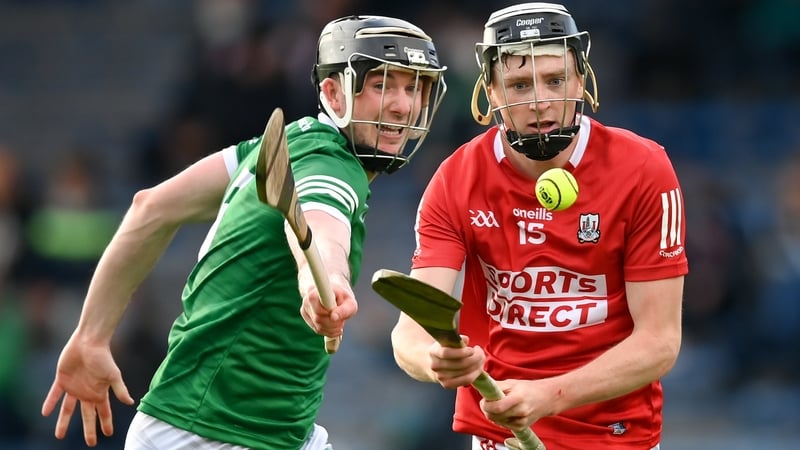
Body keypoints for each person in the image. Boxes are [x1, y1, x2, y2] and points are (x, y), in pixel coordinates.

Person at [40, 14, 447, 450]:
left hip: (270, 432)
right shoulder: (332, 167)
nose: (404, 105)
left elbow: (151, 207)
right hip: (210, 435)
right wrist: (325, 279)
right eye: (383, 85)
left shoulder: (280, 144)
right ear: (333, 92)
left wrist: (91, 335)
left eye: (414, 87)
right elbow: (319, 225)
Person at [308, 3, 686, 449]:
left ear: (581, 82)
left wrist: (549, 395)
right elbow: (408, 336)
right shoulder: (457, 180)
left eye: (555, 80)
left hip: (616, 437)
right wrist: (436, 361)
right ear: (491, 92)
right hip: (499, 438)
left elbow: (659, 342)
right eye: (520, 84)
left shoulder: (643, 170)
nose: (540, 101)